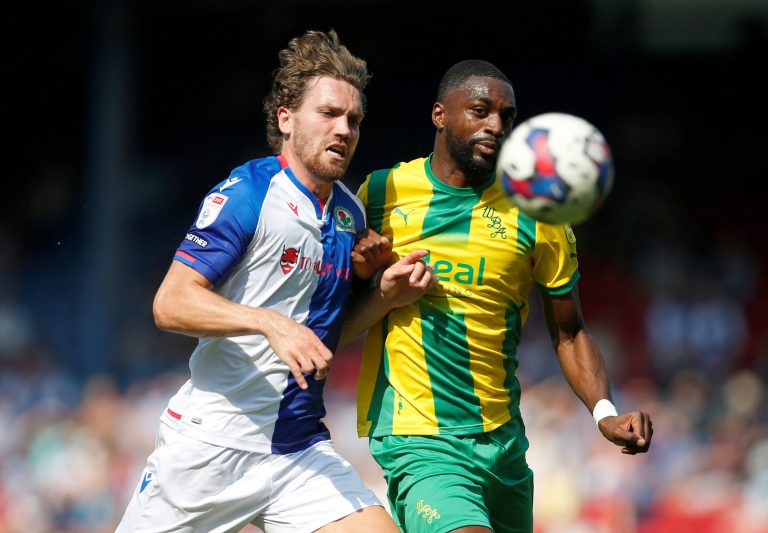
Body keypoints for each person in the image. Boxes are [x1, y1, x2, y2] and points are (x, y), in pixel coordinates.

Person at [116, 29, 425, 533]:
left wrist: (385, 298)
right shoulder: (248, 193)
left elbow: (318, 340)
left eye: (354, 119)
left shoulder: (348, 211)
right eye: (328, 114)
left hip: (298, 449)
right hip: (211, 448)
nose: (344, 129)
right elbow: (169, 304)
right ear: (286, 119)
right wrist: (267, 324)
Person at [342, 60, 654, 533]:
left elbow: (569, 332)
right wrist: (365, 274)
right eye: (480, 110)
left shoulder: (539, 212)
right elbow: (335, 310)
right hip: (419, 438)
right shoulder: (381, 193)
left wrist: (604, 413)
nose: (495, 126)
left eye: (506, 117)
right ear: (439, 115)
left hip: (503, 444)